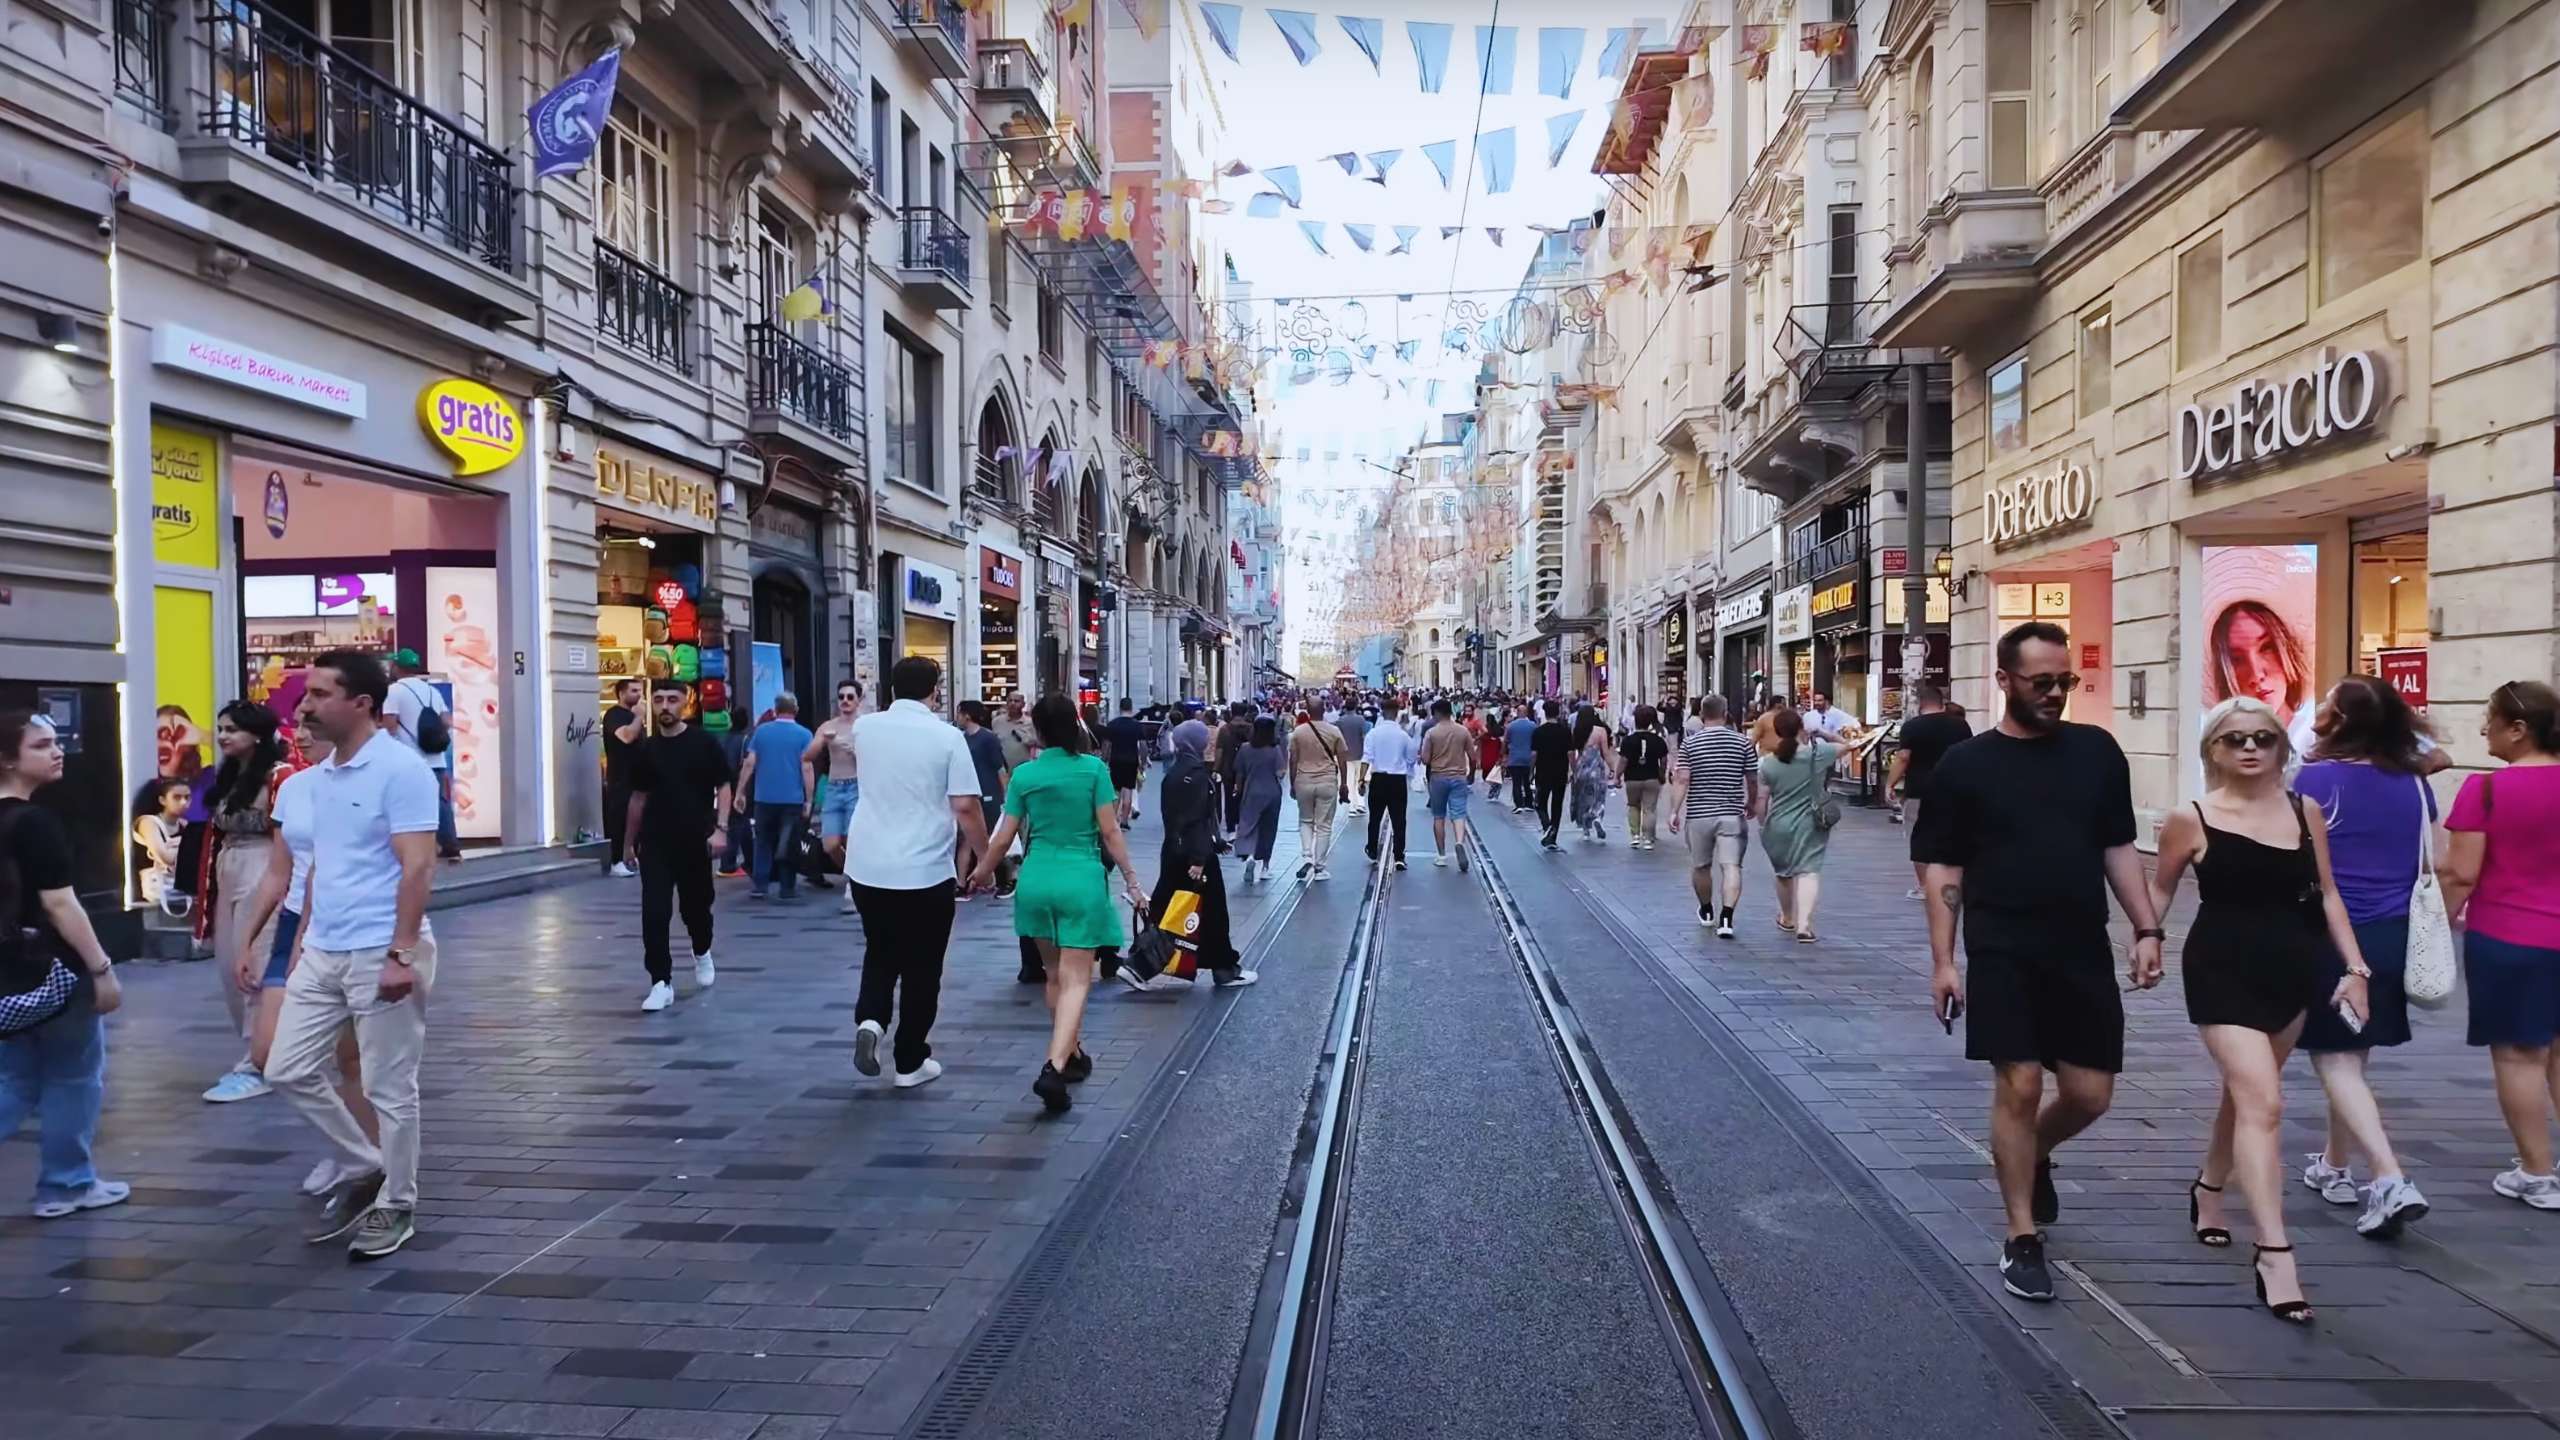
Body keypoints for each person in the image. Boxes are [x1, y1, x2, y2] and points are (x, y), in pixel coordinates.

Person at [1914, 621, 2166, 1305]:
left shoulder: (2096, 752)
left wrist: (2147, 927)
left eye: (2064, 681)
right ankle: (2022, 1235)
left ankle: (2036, 1152)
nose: (2055, 694)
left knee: (2091, 1094)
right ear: (2004, 681)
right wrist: (1944, 961)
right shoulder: (1967, 765)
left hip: (2080, 943)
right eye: (2040, 682)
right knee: (2019, 1083)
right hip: (2001, 945)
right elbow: (1944, 867)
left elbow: (2118, 847)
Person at [2150, 697, 2373, 1322]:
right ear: (2213, 751)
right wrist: (2146, 938)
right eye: (2233, 739)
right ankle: (2275, 1253)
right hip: (2219, 969)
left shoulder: (2305, 812)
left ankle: (2209, 1189)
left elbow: (2328, 894)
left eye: (2262, 738)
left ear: (2281, 747)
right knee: (2265, 1103)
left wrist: (2355, 969)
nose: (2249, 748)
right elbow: (2162, 885)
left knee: (2248, 1097)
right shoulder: (2190, 817)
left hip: (2290, 970)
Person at [269, 650, 441, 1260]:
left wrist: (402, 952)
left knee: (390, 1086)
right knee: (285, 1067)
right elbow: (318, 870)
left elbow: (419, 866)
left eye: (319, 694)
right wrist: (299, 945)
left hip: (381, 946)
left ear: (361, 704)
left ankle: (397, 1204)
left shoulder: (400, 770)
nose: (306, 704)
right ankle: (370, 1165)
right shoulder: (315, 780)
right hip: (324, 948)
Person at [2288, 675, 2433, 1236]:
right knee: (2353, 1053)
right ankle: (2334, 1165)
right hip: (2394, 933)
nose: (2318, 708)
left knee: (2337, 1059)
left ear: (2341, 721)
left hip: (2333, 935)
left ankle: (2389, 1178)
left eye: (2326, 703)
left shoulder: (2316, 779)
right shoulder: (2414, 783)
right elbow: (2432, 860)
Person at [968, 696, 1151, 1113]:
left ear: (1040, 731)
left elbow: (1003, 835)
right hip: (1080, 878)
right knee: (1077, 979)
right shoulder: (1092, 771)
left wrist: (982, 872)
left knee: (1053, 975)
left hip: (1036, 879)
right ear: (1075, 726)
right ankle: (1053, 1066)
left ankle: (1072, 1053)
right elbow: (1110, 832)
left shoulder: (1025, 775)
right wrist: (1133, 881)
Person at [231, 715, 377, 1198]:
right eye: (301, 725)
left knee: (349, 1057)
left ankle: (362, 1158)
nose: (305, 734)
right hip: (295, 921)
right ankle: (357, 1152)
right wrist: (247, 938)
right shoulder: (292, 788)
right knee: (269, 1051)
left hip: (347, 924)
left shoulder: (370, 780)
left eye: (316, 723)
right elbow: (279, 870)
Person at [0, 710, 129, 1219]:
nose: (57, 751)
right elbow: (60, 904)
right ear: (8, 758)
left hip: (6, 972)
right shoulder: (34, 823)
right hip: (53, 970)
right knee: (74, 1076)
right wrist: (101, 969)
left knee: (16, 1079)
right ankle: (67, 1184)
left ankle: (68, 1182)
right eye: (40, 745)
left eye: (56, 741)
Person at [844, 656, 991, 1090]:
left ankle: (870, 1021)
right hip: (924, 868)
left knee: (881, 949)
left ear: (890, 689)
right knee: (923, 965)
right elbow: (966, 805)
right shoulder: (947, 737)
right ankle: (910, 1059)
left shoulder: (865, 729)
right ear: (936, 691)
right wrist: (986, 860)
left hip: (868, 864)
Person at [2441, 679, 2560, 1212]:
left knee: (2518, 1056)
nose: (2483, 728)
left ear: (2519, 729)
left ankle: (2536, 1173)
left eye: (2489, 718)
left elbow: (2461, 874)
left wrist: (2435, 932)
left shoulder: (2485, 790)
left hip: (2509, 937)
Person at [621, 678, 732, 1013]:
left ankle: (702, 949)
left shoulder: (704, 743)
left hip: (695, 840)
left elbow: (724, 785)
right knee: (654, 911)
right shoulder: (647, 749)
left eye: (672, 699)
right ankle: (660, 982)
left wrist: (722, 829)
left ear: (686, 702)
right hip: (655, 843)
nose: (665, 706)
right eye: (658, 700)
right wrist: (627, 845)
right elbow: (637, 799)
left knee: (696, 909)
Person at [198, 701, 284, 1103]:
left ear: (257, 733)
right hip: (227, 868)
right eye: (220, 728)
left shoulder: (279, 775)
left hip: (262, 865)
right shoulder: (230, 774)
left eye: (231, 728)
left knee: (257, 962)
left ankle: (260, 1060)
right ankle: (258, 1051)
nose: (223, 736)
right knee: (229, 963)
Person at [1134, 720, 1255, 990]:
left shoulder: (1177, 771)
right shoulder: (1196, 774)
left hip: (1175, 851)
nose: (1207, 742)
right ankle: (1224, 968)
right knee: (1213, 913)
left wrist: (1216, 842)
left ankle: (1139, 964)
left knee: (1165, 907)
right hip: (1195, 857)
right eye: (1203, 738)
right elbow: (1194, 818)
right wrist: (1200, 858)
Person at [1668, 695, 1758, 937]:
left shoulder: (1691, 744)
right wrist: (1751, 802)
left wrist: (1674, 811)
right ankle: (1727, 918)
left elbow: (1682, 779)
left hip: (1699, 815)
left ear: (1702, 715)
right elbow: (1752, 777)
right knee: (1732, 866)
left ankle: (1707, 910)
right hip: (1731, 813)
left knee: (1701, 866)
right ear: (1726, 713)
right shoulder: (1742, 743)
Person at [1756, 709, 1837, 941]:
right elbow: (1851, 744)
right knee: (1808, 871)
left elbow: (1761, 800)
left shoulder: (1768, 764)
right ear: (1802, 728)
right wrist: (1822, 733)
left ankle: (1787, 917)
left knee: (1783, 873)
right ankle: (1804, 926)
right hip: (1811, 823)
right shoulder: (1818, 753)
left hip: (1779, 823)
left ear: (1777, 731)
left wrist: (1763, 825)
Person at [1890, 685, 1973, 900]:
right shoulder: (1960, 725)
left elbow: (1903, 757)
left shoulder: (1912, 727)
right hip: (1955, 788)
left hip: (1920, 789)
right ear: (1941, 702)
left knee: (1919, 837)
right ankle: (1954, 882)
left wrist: (1890, 784)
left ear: (1920, 703)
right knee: (1953, 834)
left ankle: (1925, 886)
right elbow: (1969, 754)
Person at [383, 650, 461, 860]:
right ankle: (450, 845)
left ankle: (416, 849)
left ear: (397, 667)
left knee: (409, 803)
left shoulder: (395, 691)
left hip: (409, 759)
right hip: (435, 757)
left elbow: (389, 725)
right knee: (439, 801)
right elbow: (446, 720)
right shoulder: (431, 691)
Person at [735, 693, 813, 901]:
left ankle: (760, 885)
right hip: (792, 799)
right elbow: (806, 768)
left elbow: (749, 763)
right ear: (795, 710)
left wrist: (740, 791)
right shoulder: (804, 735)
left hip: (764, 798)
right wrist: (809, 799)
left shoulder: (761, 732)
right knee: (788, 843)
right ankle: (787, 888)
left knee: (763, 842)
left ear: (775, 710)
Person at [801, 682, 864, 909]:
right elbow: (807, 756)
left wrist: (853, 749)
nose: (845, 701)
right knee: (830, 845)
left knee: (851, 840)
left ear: (859, 700)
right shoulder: (828, 726)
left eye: (850, 697)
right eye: (841, 697)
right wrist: (822, 741)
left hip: (857, 786)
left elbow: (875, 759)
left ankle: (853, 883)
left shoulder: (863, 726)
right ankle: (855, 877)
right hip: (834, 788)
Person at [2207, 599, 2312, 730]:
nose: (2256, 675)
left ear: (2287, 649)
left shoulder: (2317, 735)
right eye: (2236, 659)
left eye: (2266, 648)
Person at [1287, 698, 1348, 881]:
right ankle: (1319, 867)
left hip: (1303, 780)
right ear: (1324, 709)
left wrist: (1292, 783)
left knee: (1305, 820)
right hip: (1327, 781)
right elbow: (1342, 759)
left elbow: (1293, 760)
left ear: (1307, 710)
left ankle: (1307, 855)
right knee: (1324, 825)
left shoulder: (1298, 733)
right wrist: (1344, 783)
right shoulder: (1334, 731)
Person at [957, 701, 1015, 896]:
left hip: (989, 792)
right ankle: (962, 882)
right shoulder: (959, 738)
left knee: (991, 837)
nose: (957, 717)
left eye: (959, 713)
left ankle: (1005, 878)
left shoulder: (987, 738)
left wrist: (1006, 794)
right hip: (968, 792)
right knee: (966, 838)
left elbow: (1000, 768)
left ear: (967, 715)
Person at [1420, 698, 1477, 871]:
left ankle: (1442, 855)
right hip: (1459, 777)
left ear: (1436, 713)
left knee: (1438, 816)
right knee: (1459, 814)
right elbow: (1473, 757)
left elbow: (1425, 759)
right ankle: (1459, 842)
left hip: (1438, 777)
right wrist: (1471, 774)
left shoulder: (1432, 733)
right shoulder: (1463, 731)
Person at [1363, 697, 1419, 870]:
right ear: (1396, 713)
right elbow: (1411, 757)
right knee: (1399, 820)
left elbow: (1367, 758)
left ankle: (1372, 848)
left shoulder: (1373, 734)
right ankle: (1399, 856)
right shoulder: (1403, 736)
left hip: (1378, 779)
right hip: (1397, 780)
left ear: (1382, 712)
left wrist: (1360, 779)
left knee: (1375, 818)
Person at [1235, 717, 1287, 884]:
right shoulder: (1274, 749)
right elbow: (1280, 773)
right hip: (1271, 793)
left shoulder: (1244, 749)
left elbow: (1239, 773)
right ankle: (1265, 866)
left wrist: (1239, 789)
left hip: (1251, 792)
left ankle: (1249, 855)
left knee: (1248, 824)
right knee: (1268, 829)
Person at [602, 679, 644, 877]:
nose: (638, 695)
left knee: (635, 819)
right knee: (620, 818)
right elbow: (626, 737)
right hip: (620, 777)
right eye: (634, 691)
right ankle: (617, 860)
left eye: (640, 691)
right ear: (621, 694)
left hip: (637, 776)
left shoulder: (632, 715)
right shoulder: (614, 715)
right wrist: (638, 719)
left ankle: (630, 857)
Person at [1618, 706, 1671, 850]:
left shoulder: (1628, 741)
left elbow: (1623, 760)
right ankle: (1648, 839)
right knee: (1649, 809)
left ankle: (1635, 835)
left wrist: (1617, 776)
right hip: (1652, 778)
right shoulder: (1658, 740)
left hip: (1632, 779)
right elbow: (1664, 759)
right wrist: (1662, 772)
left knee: (1633, 806)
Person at [133, 778, 188, 909]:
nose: (183, 802)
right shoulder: (148, 823)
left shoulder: (184, 824)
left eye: (187, 797)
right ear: (162, 800)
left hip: (184, 894)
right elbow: (166, 857)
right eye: (176, 797)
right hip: (156, 898)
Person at [1568, 703, 1615, 843]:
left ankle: (1585, 830)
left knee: (1583, 799)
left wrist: (1572, 769)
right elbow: (1605, 753)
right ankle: (1597, 817)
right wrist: (1612, 768)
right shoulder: (1600, 731)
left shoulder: (1577, 730)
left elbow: (1575, 752)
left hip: (1582, 767)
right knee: (1598, 796)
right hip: (1596, 767)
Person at [1530, 699, 1574, 849]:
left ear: (1544, 712)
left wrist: (1531, 772)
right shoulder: (1565, 731)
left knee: (1539, 803)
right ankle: (1552, 836)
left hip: (1543, 772)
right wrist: (1572, 770)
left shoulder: (1538, 731)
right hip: (1560, 772)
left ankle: (1547, 825)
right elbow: (1570, 753)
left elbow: (1534, 755)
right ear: (1558, 712)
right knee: (1557, 804)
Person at [1215, 702, 1255, 844]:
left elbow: (1219, 751)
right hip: (1247, 770)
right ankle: (1243, 827)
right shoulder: (1251, 729)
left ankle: (1231, 830)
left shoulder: (1224, 730)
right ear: (1245, 713)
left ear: (1232, 712)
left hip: (1228, 770)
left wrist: (1216, 769)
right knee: (1245, 799)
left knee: (1229, 798)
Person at [1104, 698, 1148, 825]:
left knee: (1116, 791)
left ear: (1120, 708)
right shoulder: (1136, 725)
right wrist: (1143, 763)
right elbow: (1143, 746)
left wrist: (1105, 758)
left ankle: (1113, 820)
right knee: (1128, 790)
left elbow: (1107, 744)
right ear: (1131, 708)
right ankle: (1124, 821)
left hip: (1116, 760)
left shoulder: (1113, 724)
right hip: (1131, 761)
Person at [1335, 702, 1371, 816]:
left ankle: (1352, 807)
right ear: (1355, 707)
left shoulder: (1340, 721)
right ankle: (1361, 804)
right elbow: (1365, 736)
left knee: (1349, 780)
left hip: (1345, 755)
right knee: (1360, 779)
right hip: (1360, 754)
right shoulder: (1361, 720)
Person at [1504, 702, 1538, 813]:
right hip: (1528, 759)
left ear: (1517, 713)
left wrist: (1503, 756)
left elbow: (1505, 741)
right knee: (1527, 782)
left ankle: (1519, 805)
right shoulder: (1533, 725)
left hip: (1514, 759)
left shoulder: (1510, 726)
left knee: (1516, 783)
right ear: (1527, 713)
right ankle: (1529, 803)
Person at [1478, 707, 1507, 799]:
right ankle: (1494, 790)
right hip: (1494, 755)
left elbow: (1478, 744)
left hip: (1486, 756)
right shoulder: (1498, 731)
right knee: (1496, 774)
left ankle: (1492, 791)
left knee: (1487, 775)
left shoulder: (1484, 733)